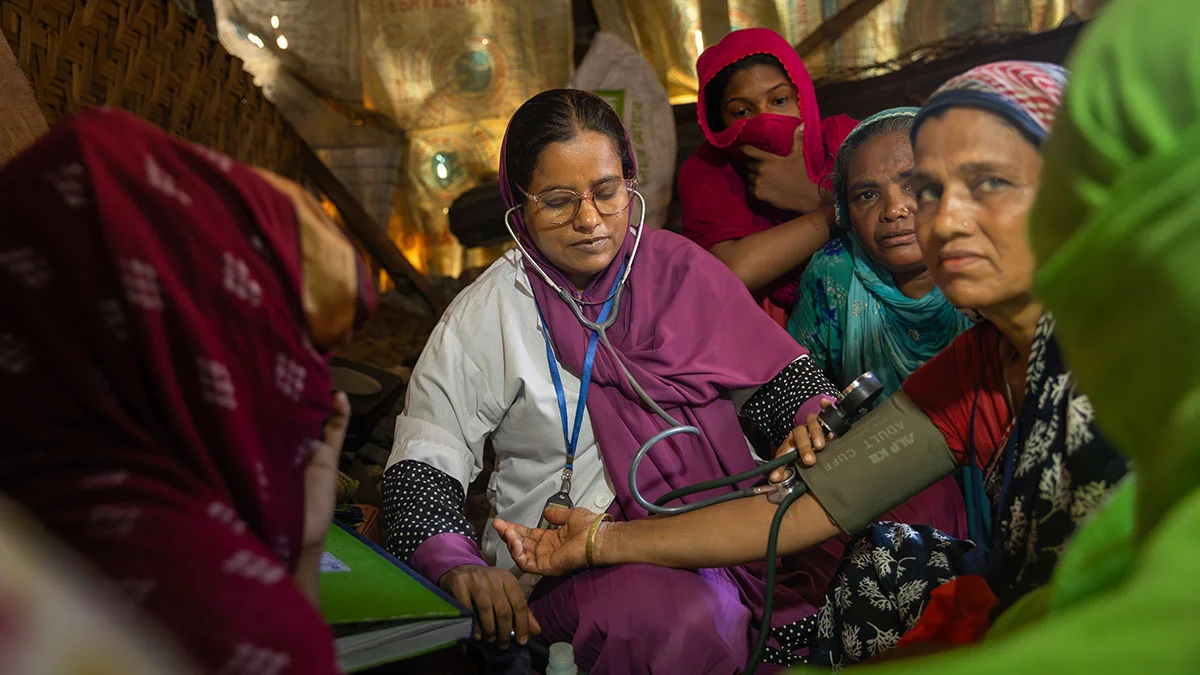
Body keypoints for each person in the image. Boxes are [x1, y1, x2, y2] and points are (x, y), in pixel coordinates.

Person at [495, 61, 1130, 667]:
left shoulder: (1146, 338)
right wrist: (600, 543)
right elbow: (806, 510)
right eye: (932, 190)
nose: (938, 218)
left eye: (988, 183)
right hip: (1057, 617)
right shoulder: (978, 364)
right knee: (883, 562)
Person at [382, 88, 964, 674]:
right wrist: (456, 564)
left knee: (920, 499)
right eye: (558, 201)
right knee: (682, 615)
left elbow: (784, 381)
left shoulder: (680, 270)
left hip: (714, 528)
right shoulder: (491, 312)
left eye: (606, 193)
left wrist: (809, 421)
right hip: (568, 556)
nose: (589, 220)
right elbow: (423, 463)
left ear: (629, 184)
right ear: (519, 204)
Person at [0, 108, 376, 674]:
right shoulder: (228, 624)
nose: (313, 389)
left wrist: (300, 550)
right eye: (291, 347)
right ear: (222, 356)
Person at [788, 107, 974, 398]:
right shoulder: (835, 272)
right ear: (846, 214)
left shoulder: (993, 262)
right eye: (867, 195)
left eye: (914, 186)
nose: (893, 210)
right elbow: (796, 387)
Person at [678, 28, 858, 325]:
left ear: (802, 97)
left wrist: (810, 196)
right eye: (741, 111)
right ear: (717, 122)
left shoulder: (847, 141)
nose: (764, 119)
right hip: (762, 339)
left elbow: (900, 214)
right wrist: (837, 212)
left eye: (779, 101)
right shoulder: (708, 170)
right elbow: (737, 270)